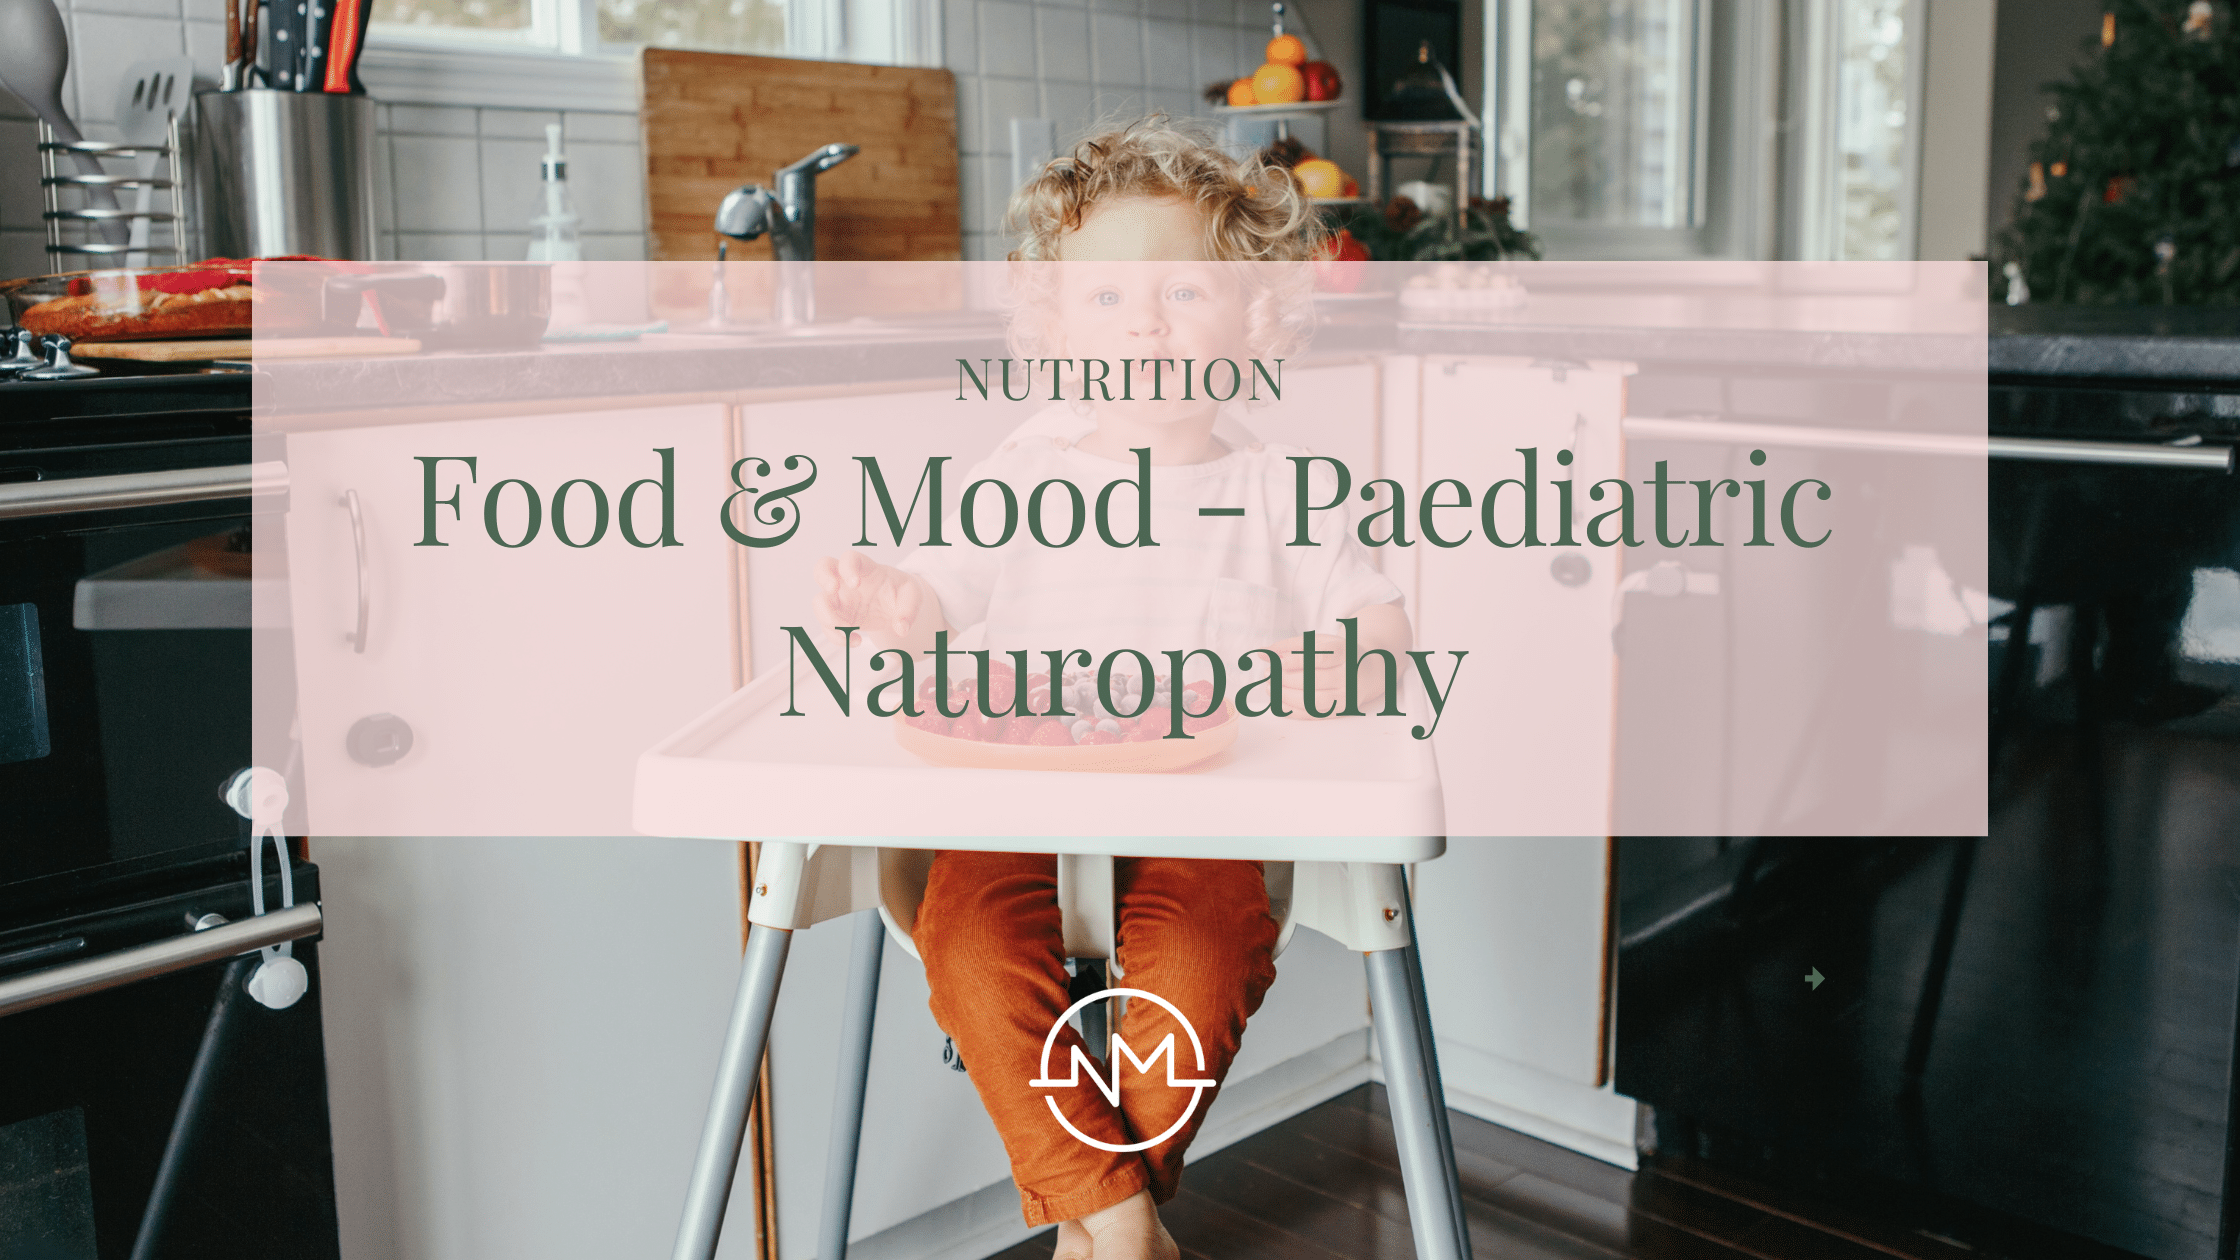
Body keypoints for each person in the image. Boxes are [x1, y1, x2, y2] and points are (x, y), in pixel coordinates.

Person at [811, 116, 1411, 1260]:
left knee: (1199, 971)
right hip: (1015, 804)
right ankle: (1127, 1228)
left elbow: (1379, 633)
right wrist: (899, 610)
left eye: (1181, 293)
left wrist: (1325, 666)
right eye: (1104, 299)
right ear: (1052, 331)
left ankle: (1092, 1224)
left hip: (1210, 815)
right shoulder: (1024, 469)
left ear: (1253, 315)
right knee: (969, 946)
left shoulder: (1289, 491)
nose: (1142, 320)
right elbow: (938, 590)